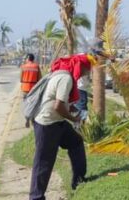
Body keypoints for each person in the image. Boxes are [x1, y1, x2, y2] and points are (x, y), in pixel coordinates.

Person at [29, 54, 91, 200]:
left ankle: (79, 180)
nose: (85, 73)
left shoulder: (61, 74)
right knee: (44, 161)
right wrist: (74, 118)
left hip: (57, 122)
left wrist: (77, 112)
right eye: (86, 70)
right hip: (47, 124)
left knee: (75, 142)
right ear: (79, 67)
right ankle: (36, 197)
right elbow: (58, 106)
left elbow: (63, 103)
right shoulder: (66, 78)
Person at [20, 53, 42, 128]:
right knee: (33, 104)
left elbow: (21, 79)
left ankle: (27, 119)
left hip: (25, 88)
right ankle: (32, 119)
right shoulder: (36, 66)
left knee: (26, 104)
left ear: (28, 59)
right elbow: (40, 79)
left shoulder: (23, 66)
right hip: (34, 88)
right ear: (33, 59)